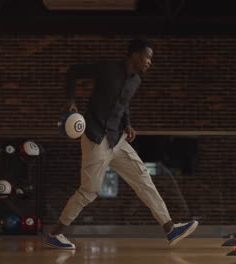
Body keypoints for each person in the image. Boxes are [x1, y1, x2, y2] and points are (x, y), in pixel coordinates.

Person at [44, 37, 198, 249]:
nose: (149, 62)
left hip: (118, 140)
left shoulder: (136, 81)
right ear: (134, 54)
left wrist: (127, 124)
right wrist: (70, 100)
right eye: (147, 57)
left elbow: (123, 104)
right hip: (96, 138)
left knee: (143, 179)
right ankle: (55, 234)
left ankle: (170, 229)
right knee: (89, 191)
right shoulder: (107, 68)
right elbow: (73, 71)